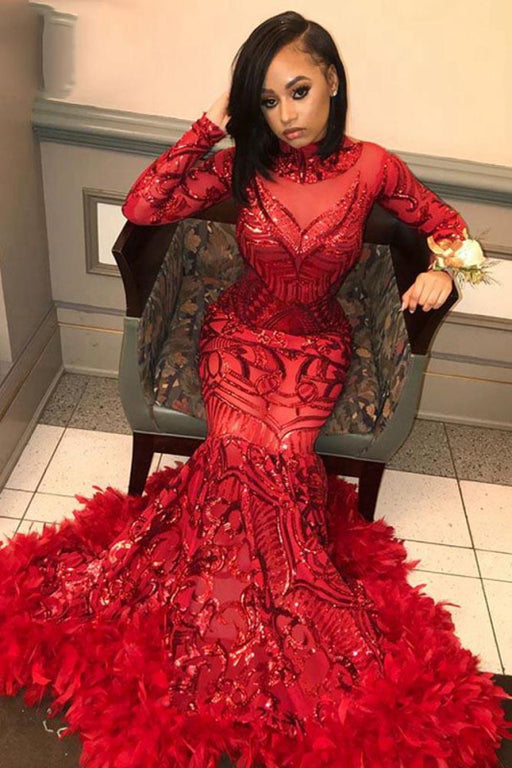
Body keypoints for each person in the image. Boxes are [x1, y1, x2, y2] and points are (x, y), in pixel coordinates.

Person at [0, 10, 509, 768]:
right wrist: (211, 123)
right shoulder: (242, 163)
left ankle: (254, 636)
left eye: (299, 91)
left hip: (318, 343)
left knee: (285, 463)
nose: (287, 115)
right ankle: (224, 645)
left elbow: (455, 232)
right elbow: (142, 207)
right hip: (237, 332)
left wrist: (444, 270)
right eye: (267, 101)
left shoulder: (374, 166)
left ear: (331, 79)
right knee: (239, 451)